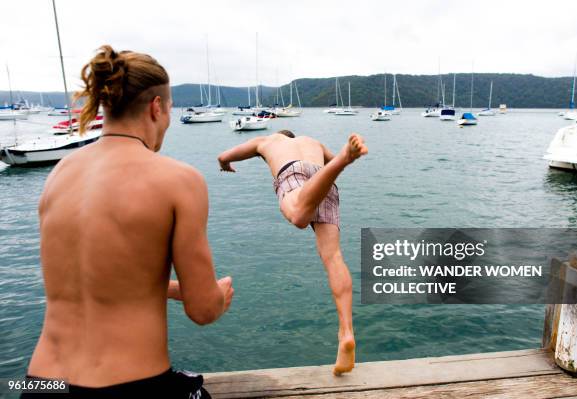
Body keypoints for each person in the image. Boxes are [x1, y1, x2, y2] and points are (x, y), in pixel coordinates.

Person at [21, 45, 233, 398]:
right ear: (156, 108)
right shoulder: (179, 180)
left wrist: (168, 289)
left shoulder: (59, 174)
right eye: (168, 112)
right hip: (130, 387)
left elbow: (89, 280)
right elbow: (203, 310)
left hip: (41, 386)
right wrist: (218, 295)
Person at [217, 130, 368, 375]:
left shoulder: (267, 140)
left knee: (299, 216)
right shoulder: (313, 141)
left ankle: (341, 161)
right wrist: (339, 159)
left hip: (294, 174)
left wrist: (224, 164)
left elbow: (224, 155)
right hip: (324, 180)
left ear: (279, 135)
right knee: (333, 257)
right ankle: (346, 332)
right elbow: (326, 160)